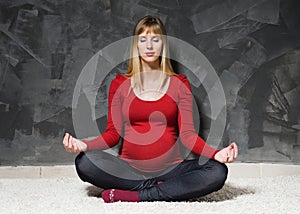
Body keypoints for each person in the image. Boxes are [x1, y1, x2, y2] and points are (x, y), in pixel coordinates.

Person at [63, 15, 238, 203]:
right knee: (85, 163)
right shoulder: (119, 84)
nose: (149, 46)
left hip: (173, 171)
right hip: (129, 171)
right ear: (136, 45)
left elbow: (188, 136)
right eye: (143, 40)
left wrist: (216, 153)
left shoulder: (179, 84)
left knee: (217, 172)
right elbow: (112, 134)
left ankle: (139, 195)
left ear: (162, 45)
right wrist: (85, 145)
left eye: (155, 40)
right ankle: (158, 189)